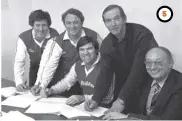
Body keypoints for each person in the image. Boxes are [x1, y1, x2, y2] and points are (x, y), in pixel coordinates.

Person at [84, 4, 158, 113]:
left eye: (117, 18)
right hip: (125, 86)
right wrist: (95, 99)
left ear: (124, 19)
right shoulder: (106, 44)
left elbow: (139, 71)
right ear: (105, 24)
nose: (113, 24)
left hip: (149, 83)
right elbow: (105, 73)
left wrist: (122, 100)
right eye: (108, 21)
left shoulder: (142, 34)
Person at [31, 8, 102, 96]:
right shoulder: (57, 41)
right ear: (64, 24)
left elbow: (104, 59)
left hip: (90, 85)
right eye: (68, 23)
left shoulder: (94, 36)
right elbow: (49, 65)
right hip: (64, 86)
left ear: (82, 22)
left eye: (76, 22)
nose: (72, 26)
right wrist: (41, 85)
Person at [103, 47, 182, 120]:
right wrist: (120, 107)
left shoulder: (179, 84)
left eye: (158, 62)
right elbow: (134, 103)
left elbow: (168, 119)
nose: (152, 67)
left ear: (170, 64)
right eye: (148, 62)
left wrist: (128, 117)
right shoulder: (145, 78)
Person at [40, 36, 114, 107]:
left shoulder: (105, 65)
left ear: (96, 50)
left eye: (89, 48)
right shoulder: (78, 65)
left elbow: (108, 97)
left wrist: (83, 98)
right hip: (86, 106)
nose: (86, 52)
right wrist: (52, 90)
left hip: (104, 108)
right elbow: (66, 83)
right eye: (82, 49)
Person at [14, 10, 59, 92]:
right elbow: (19, 61)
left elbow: (51, 61)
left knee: (50, 96)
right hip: (34, 71)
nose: (41, 29)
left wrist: (40, 84)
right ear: (32, 25)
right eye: (37, 25)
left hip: (52, 71)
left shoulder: (54, 35)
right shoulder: (23, 37)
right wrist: (19, 82)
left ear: (48, 25)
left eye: (44, 25)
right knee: (33, 96)